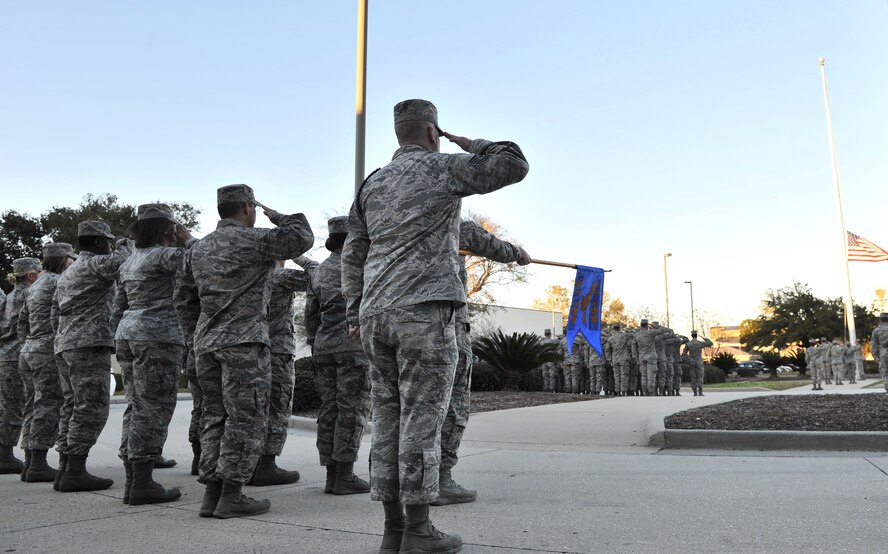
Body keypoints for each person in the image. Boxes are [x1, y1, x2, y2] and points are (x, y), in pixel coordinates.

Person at [342, 99, 528, 554]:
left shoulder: (371, 185)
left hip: (375, 314)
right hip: (424, 310)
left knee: (387, 420)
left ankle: (393, 531)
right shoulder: (440, 169)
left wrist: (354, 311)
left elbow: (352, 254)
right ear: (432, 132)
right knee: (424, 420)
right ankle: (420, 531)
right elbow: (512, 164)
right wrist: (472, 143)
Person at [174, 184, 313, 519]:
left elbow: (182, 299)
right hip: (244, 343)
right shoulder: (256, 240)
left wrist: (197, 336)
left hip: (207, 345)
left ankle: (212, 494)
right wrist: (279, 216)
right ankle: (233, 493)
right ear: (248, 208)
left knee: (215, 417)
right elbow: (302, 237)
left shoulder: (198, 248)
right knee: (246, 417)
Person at [434, 218, 529, 505]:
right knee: (451, 405)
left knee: (402, 406)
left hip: (390, 323)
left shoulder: (388, 222)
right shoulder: (448, 217)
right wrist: (517, 253)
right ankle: (439, 480)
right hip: (443, 324)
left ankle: (400, 483)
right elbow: (485, 242)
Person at [112, 203, 194, 505]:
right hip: (157, 337)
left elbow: (118, 305)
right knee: (154, 407)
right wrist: (188, 238)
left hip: (129, 333)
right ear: (165, 228)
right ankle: (143, 483)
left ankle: (134, 480)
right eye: (174, 224)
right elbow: (204, 259)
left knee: (136, 405)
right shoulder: (166, 256)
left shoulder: (130, 262)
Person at [52, 221, 132, 491]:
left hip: (66, 343)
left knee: (72, 406)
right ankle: (75, 470)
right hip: (88, 345)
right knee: (92, 407)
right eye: (108, 241)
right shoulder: (94, 264)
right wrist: (125, 242)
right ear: (99, 243)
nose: (111, 245)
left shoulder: (69, 271)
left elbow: (55, 315)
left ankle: (65, 468)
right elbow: (123, 260)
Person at [305, 217, 370, 496]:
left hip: (324, 347)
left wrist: (314, 342)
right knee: (351, 409)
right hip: (352, 347)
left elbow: (310, 314)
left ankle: (332, 475)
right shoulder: (359, 267)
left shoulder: (319, 271)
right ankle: (345, 475)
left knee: (329, 409)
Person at [248, 254, 317, 487]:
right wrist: (300, 258)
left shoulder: (246, 277)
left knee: (250, 407)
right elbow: (320, 277)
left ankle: (246, 465)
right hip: (277, 351)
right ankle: (266, 466)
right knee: (278, 406)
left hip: (248, 349)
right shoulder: (280, 276)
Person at [17, 244, 76, 482]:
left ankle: (30, 462)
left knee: (33, 405)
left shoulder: (37, 284)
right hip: (46, 349)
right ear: (63, 260)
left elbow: (22, 321)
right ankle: (39, 464)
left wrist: (29, 343)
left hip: (29, 350)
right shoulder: (58, 282)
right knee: (48, 405)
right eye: (71, 258)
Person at [0, 257, 43, 474]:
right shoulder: (30, 294)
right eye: (39, 270)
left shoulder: (7, 297)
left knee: (8, 406)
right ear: (30, 275)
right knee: (21, 407)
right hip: (19, 355)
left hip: (4, 355)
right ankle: (6, 456)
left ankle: (5, 454)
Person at [604, 324, 632, 396]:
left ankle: (618, 391)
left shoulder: (610, 339)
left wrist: (609, 360)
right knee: (623, 376)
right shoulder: (624, 336)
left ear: (613, 329)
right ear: (620, 328)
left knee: (616, 376)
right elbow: (632, 336)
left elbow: (607, 350)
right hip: (624, 359)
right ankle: (623, 391)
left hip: (615, 359)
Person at [684, 331, 712, 396]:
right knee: (700, 376)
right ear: (696, 335)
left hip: (691, 361)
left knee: (693, 377)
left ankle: (695, 392)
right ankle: (700, 392)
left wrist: (687, 360)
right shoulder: (700, 343)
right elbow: (710, 343)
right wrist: (704, 338)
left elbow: (684, 353)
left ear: (691, 335)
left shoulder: (688, 344)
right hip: (699, 361)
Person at [634, 320, 658, 396]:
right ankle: (651, 391)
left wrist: (636, 358)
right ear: (647, 325)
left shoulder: (636, 335)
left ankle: (644, 391)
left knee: (643, 375)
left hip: (641, 357)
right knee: (651, 375)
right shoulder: (651, 333)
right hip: (651, 357)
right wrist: (654, 326)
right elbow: (663, 330)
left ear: (640, 325)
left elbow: (634, 348)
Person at [870, 313, 888, 392]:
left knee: (884, 371)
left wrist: (875, 356)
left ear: (880, 320)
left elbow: (874, 344)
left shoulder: (876, 331)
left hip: (883, 353)